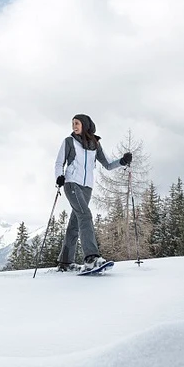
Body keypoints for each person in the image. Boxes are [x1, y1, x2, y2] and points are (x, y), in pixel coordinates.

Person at [54, 114, 132, 272]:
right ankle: (91, 258)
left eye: (77, 123)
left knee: (75, 223)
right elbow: (59, 162)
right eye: (73, 124)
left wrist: (122, 161)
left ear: (85, 125)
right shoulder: (68, 141)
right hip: (72, 183)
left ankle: (65, 263)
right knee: (85, 215)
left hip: (87, 187)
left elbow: (108, 164)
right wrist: (59, 177)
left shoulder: (95, 144)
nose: (74, 126)